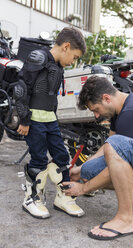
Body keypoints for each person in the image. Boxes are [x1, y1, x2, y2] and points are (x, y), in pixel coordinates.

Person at [62, 75, 133, 241]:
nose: (96, 116)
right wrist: (81, 169)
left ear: (106, 98)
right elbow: (107, 148)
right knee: (90, 170)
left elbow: (116, 153)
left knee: (116, 145)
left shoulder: (131, 112)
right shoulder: (121, 109)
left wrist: (83, 188)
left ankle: (125, 220)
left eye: (96, 109)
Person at [14, 27, 86, 219]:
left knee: (63, 157)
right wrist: (24, 120)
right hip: (34, 120)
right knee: (39, 159)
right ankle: (32, 198)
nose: (74, 62)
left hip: (50, 120)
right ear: (66, 46)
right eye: (75, 56)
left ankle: (63, 197)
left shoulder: (58, 66)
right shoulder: (38, 57)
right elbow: (21, 89)